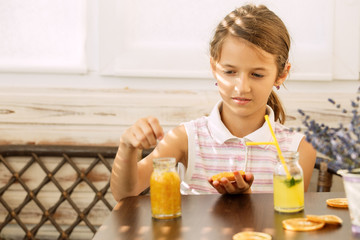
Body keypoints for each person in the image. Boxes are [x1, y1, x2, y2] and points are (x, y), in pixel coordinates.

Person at [110, 4, 316, 202]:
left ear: (281, 74)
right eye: (230, 72)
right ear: (214, 67)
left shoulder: (297, 150)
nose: (242, 87)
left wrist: (246, 201)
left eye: (257, 74)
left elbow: (291, 221)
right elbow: (125, 194)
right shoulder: (186, 138)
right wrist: (128, 146)